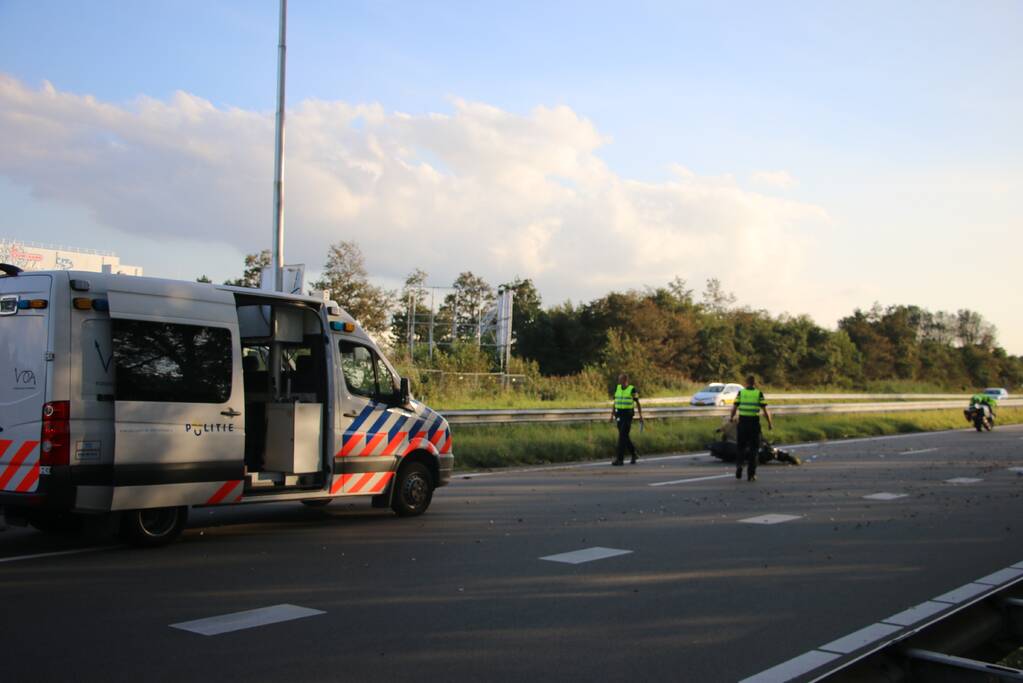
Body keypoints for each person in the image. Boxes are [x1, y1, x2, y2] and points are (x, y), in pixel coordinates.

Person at [729, 375, 774, 482]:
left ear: (746, 383)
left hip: (742, 423)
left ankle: (739, 465)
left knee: (741, 447)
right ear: (754, 383)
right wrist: (769, 423)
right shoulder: (758, 393)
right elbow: (765, 410)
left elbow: (734, 408)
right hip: (754, 424)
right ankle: (751, 474)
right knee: (754, 449)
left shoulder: (741, 393)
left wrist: (731, 418)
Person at [610, 373, 644, 466]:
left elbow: (637, 402)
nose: (618, 381)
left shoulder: (632, 389)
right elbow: (615, 402)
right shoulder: (617, 388)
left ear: (625, 380)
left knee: (621, 437)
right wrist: (612, 414)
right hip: (619, 415)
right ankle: (634, 454)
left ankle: (620, 459)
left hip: (627, 415)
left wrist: (640, 415)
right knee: (624, 436)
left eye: (620, 379)